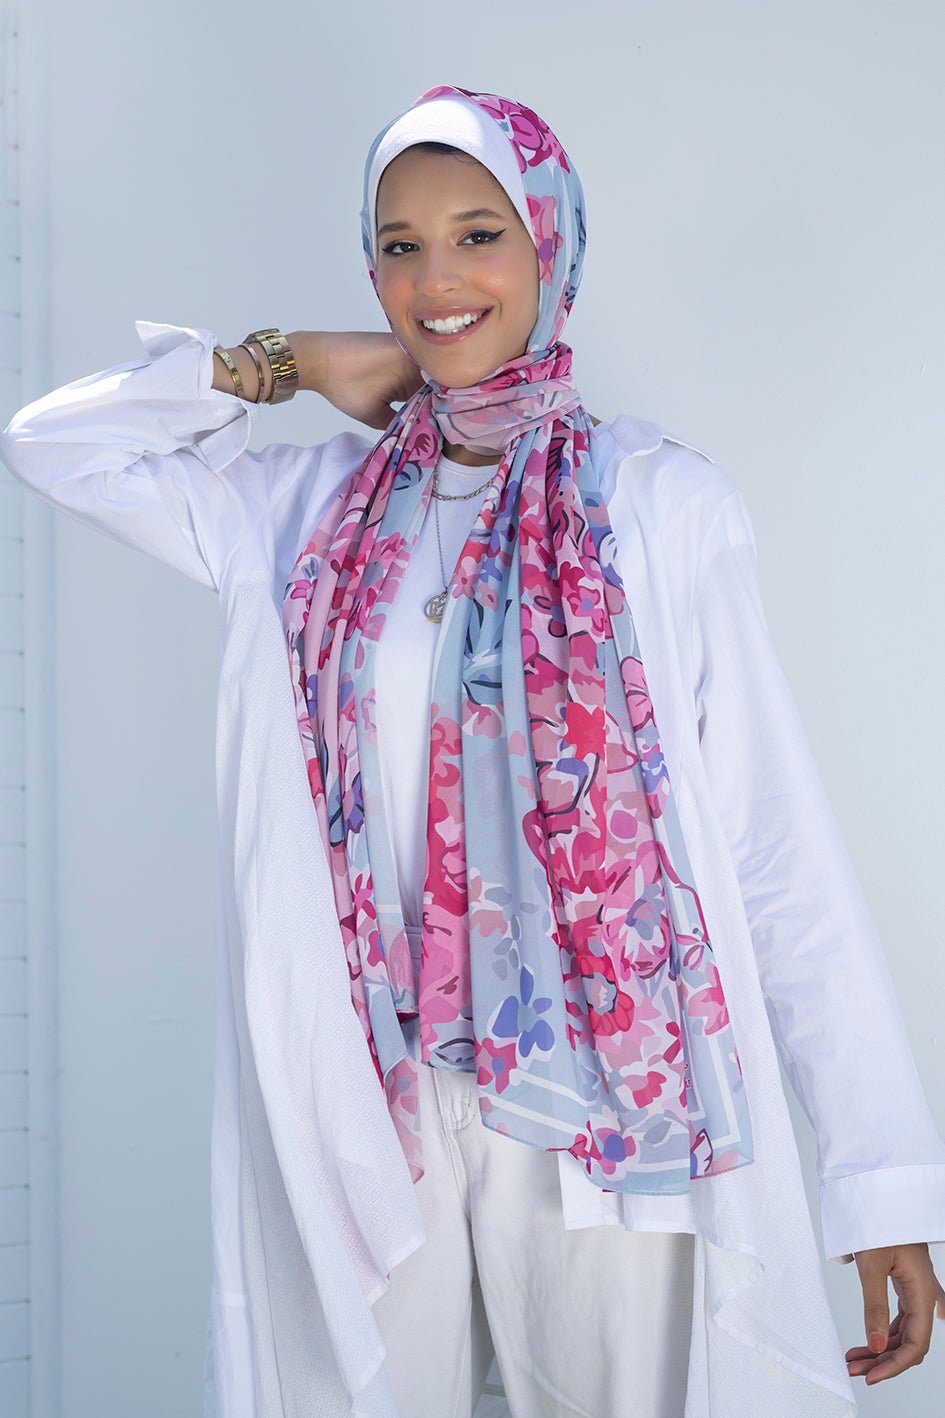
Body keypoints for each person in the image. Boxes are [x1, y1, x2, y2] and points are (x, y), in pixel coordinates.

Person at [2, 83, 944, 1418]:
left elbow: (771, 844)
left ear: (550, 243)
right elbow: (52, 446)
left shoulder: (654, 504)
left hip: (602, 1099)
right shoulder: (303, 511)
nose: (436, 279)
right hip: (368, 1094)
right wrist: (283, 364)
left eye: (477, 234)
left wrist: (879, 1179)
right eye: (400, 245)